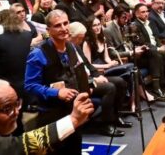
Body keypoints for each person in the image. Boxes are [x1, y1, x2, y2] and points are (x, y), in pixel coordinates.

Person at [24, 10, 124, 149]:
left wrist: (87, 86)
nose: (64, 28)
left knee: (75, 146)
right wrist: (56, 93)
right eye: (58, 25)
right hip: (51, 113)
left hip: (73, 110)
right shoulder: (38, 53)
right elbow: (30, 85)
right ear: (48, 30)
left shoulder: (71, 47)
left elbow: (77, 73)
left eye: (66, 23)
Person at [0, 78, 95, 155]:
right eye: (7, 108)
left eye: (17, 103)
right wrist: (73, 119)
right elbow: (19, 146)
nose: (16, 112)